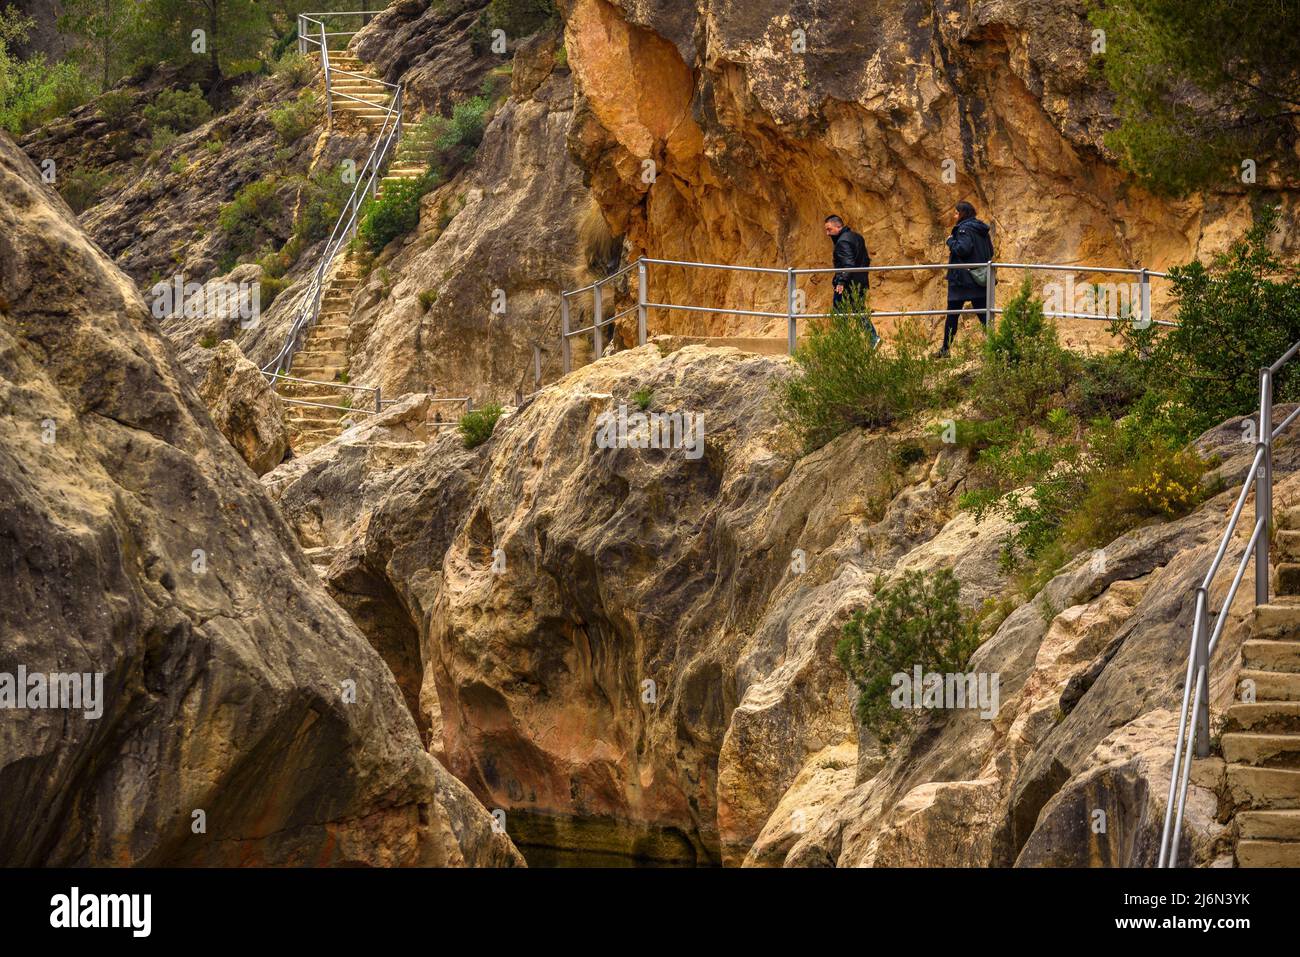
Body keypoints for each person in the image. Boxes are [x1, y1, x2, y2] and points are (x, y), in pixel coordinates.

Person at [938, 201, 994, 357]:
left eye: (956, 213)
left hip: (962, 280)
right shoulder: (981, 229)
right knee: (985, 315)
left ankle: (945, 350)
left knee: (952, 315)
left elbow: (962, 249)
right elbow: (990, 251)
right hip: (978, 279)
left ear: (962, 213)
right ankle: (996, 346)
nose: (954, 216)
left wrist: (950, 241)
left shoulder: (963, 229)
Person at [824, 214, 879, 346]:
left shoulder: (842, 241)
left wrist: (841, 281)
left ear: (838, 226)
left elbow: (848, 264)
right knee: (858, 310)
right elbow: (865, 260)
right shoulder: (857, 237)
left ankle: (843, 343)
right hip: (860, 281)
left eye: (829, 229)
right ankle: (872, 338)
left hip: (847, 283)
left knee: (839, 312)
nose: (827, 233)